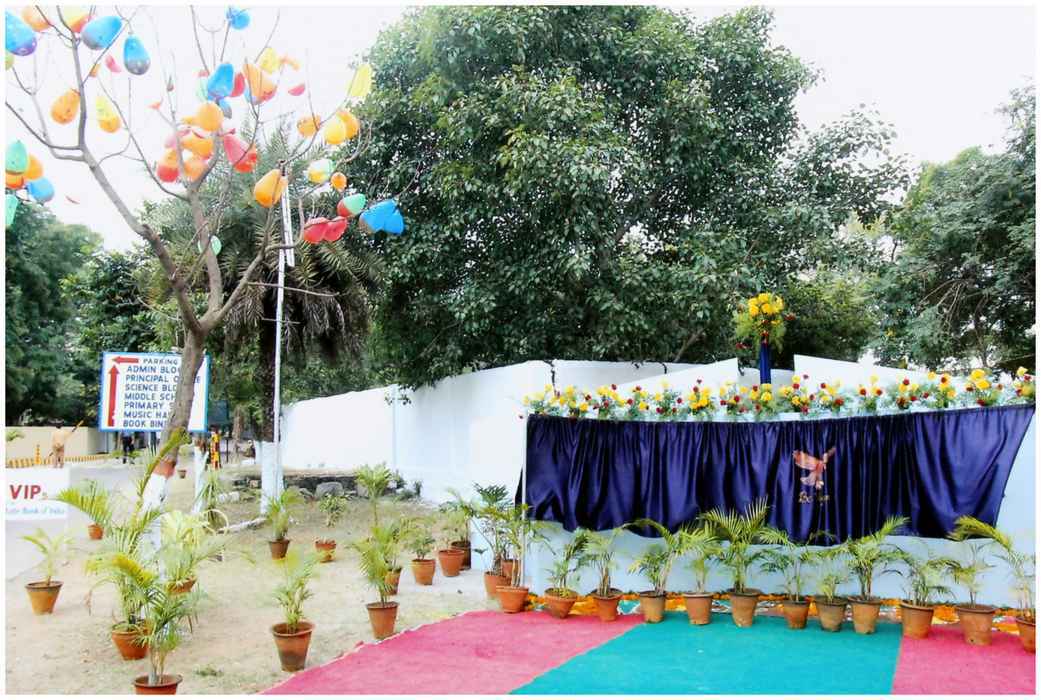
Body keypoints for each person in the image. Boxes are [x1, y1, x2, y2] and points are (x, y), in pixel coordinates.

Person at [141, 453, 175, 573]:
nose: (172, 473)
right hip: (151, 518)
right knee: (153, 545)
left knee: (153, 546)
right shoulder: (157, 481)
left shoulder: (159, 481)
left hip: (152, 518)